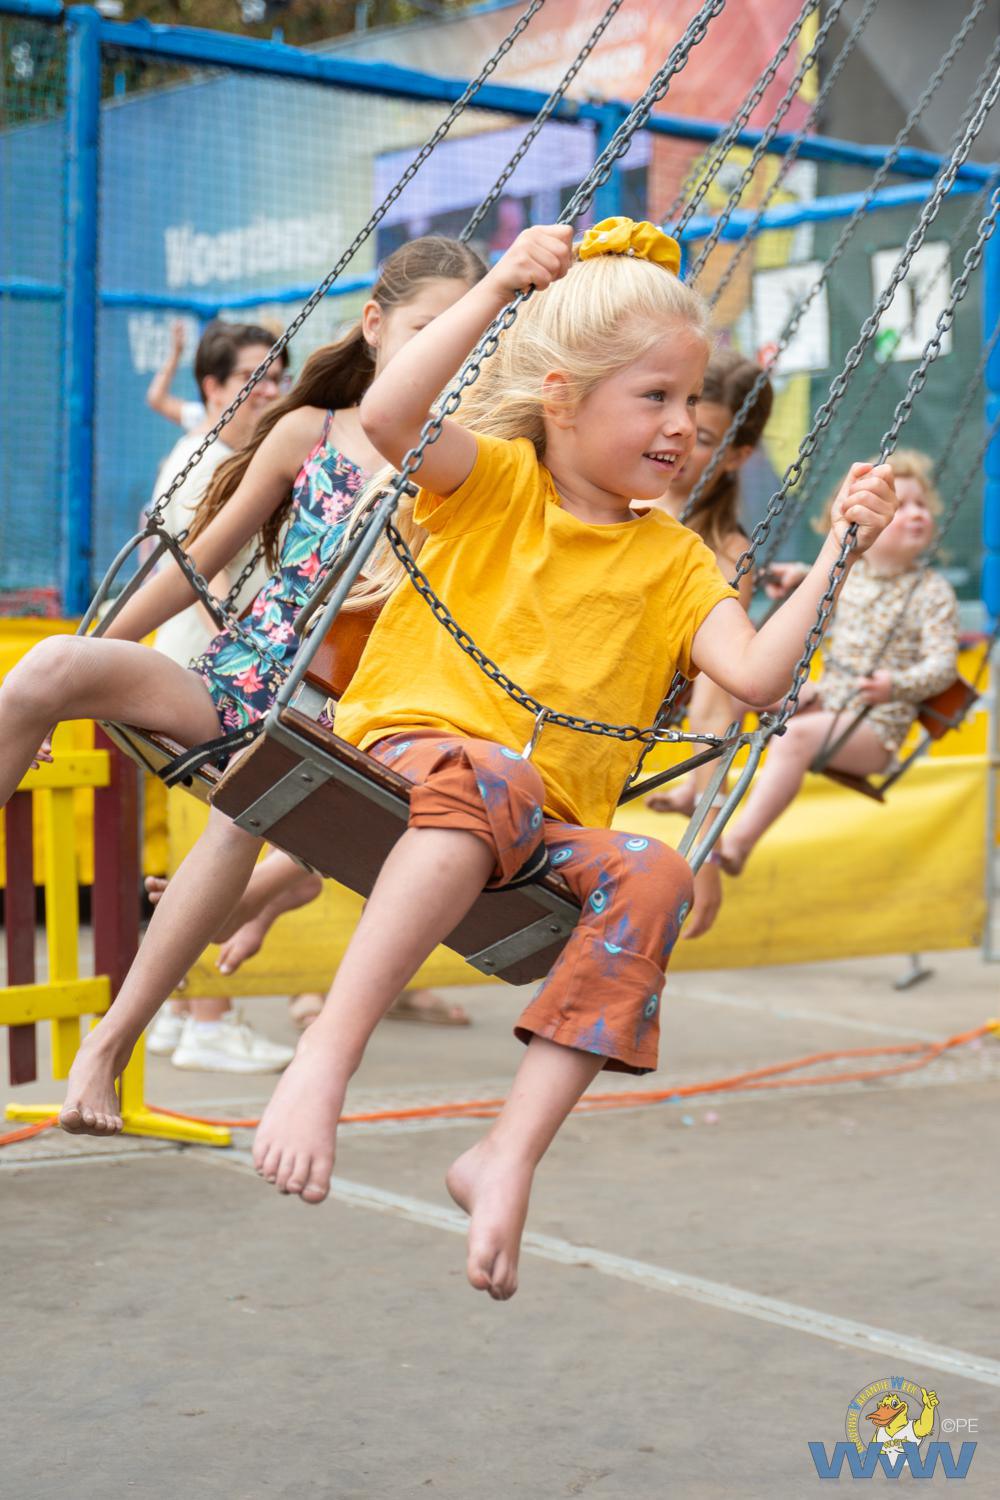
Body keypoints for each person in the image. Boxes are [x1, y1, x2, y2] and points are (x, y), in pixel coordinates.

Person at [53, 218, 896, 1302]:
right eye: (656, 398)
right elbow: (393, 411)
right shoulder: (490, 481)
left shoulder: (678, 560)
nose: (685, 427)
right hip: (406, 765)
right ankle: (327, 1060)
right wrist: (498, 281)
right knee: (491, 775)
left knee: (656, 873)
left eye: (694, 404)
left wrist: (840, 547)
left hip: (530, 832)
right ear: (561, 398)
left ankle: (506, 1152)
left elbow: (762, 674)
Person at [0, 236, 484, 1052]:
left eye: (469, 336)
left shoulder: (475, 462)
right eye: (425, 331)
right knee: (48, 666)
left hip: (343, 725)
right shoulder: (308, 433)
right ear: (373, 325)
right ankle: (244, 906)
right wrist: (77, 682)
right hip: (239, 681)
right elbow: (191, 567)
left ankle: (113, 1040)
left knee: (259, 813)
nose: (444, 355)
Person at [145, 320, 295, 1072]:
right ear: (214, 387)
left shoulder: (204, 446)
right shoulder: (216, 464)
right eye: (254, 376)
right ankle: (208, 1016)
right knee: (230, 845)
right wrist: (250, 649)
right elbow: (196, 575)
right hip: (211, 682)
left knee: (210, 841)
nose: (271, 388)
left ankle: (178, 1012)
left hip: (197, 672)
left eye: (278, 375)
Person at [716, 449, 958, 875]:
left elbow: (943, 667)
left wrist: (894, 685)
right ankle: (700, 792)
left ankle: (736, 844)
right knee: (741, 687)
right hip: (831, 702)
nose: (918, 514)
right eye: (903, 506)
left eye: (923, 505)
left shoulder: (931, 591)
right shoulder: (856, 575)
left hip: (874, 728)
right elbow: (829, 579)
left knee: (792, 740)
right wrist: (798, 576)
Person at [639, 348, 774, 938]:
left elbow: (720, 695)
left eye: (705, 434)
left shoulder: (724, 553)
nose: (681, 434)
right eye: (675, 407)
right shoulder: (607, 490)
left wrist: (708, 831)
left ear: (738, 455)